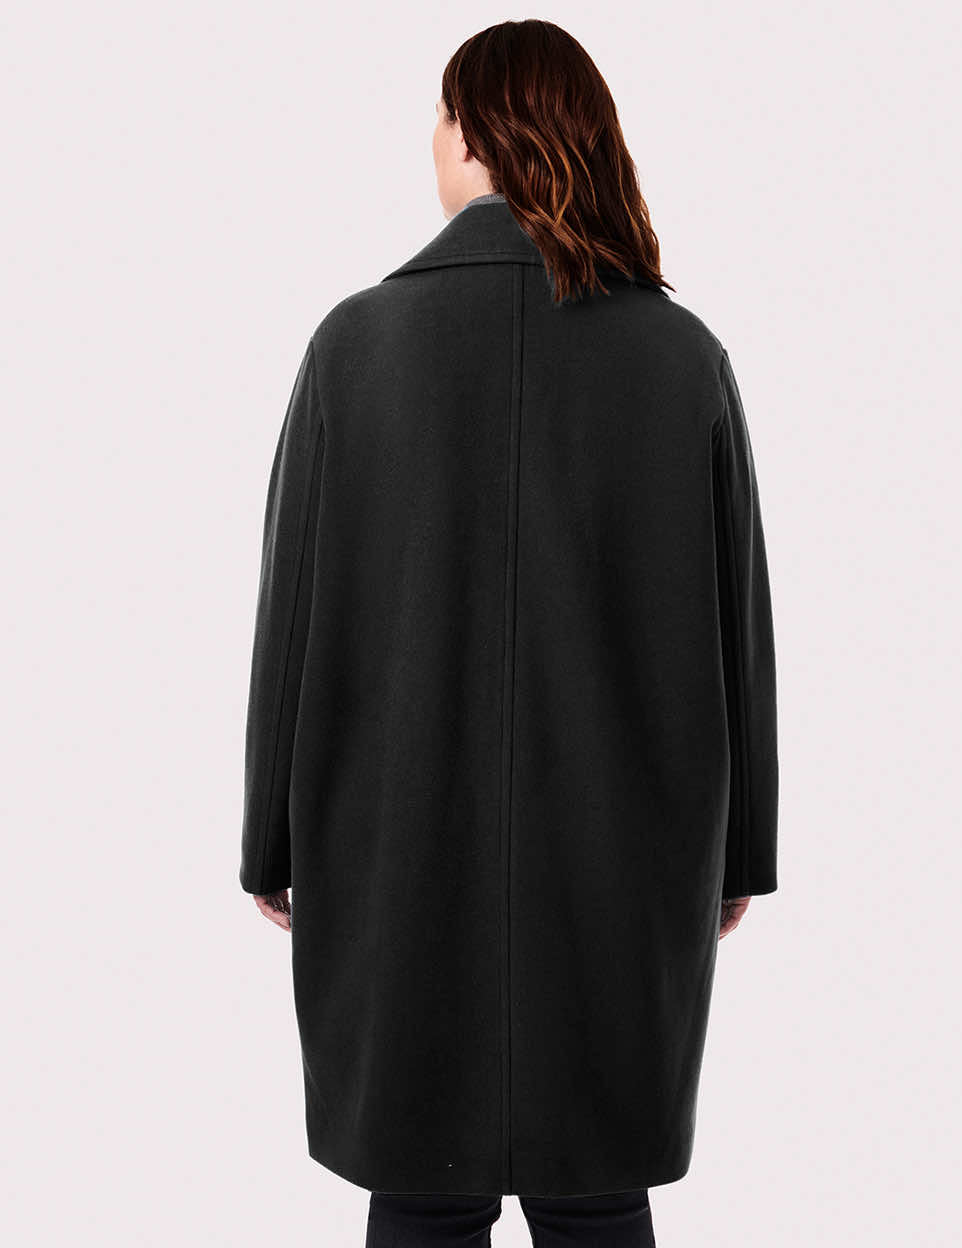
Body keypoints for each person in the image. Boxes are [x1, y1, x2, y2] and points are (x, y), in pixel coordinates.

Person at [239, 19, 778, 1247]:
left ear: (478, 136)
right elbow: (735, 623)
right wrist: (741, 849)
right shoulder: (682, 356)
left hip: (393, 841)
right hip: (624, 850)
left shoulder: (354, 346)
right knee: (600, 1192)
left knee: (418, 1190)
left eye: (442, 115)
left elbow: (293, 612)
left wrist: (270, 832)